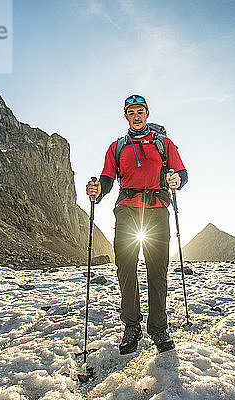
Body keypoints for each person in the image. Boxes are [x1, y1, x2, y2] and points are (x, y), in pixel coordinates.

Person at [85, 94, 188, 354]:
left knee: (157, 270)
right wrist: (98, 190)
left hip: (156, 211)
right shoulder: (117, 147)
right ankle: (132, 326)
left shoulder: (163, 143)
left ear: (147, 113)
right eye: (132, 112)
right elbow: (107, 179)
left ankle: (158, 328)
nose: (137, 116)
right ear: (126, 116)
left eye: (140, 111)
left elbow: (182, 173)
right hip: (127, 210)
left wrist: (177, 181)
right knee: (126, 268)